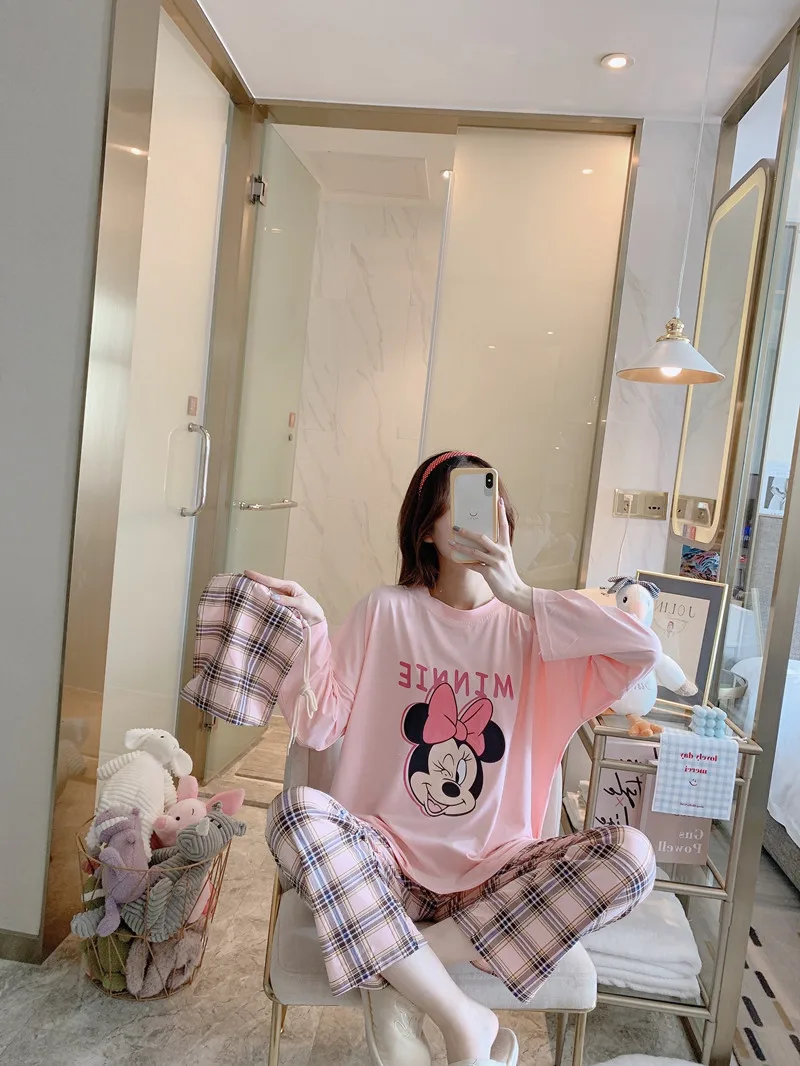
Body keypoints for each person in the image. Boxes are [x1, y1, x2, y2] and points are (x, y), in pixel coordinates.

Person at [263, 451, 658, 1066]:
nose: (479, 525)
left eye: (488, 506)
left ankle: (400, 966)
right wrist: (313, 628)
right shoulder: (385, 611)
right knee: (293, 814)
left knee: (633, 857)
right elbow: (318, 725)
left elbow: (641, 649)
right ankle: (462, 1017)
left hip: (494, 875)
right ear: (426, 531)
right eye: (460, 511)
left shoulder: (535, 630)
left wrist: (520, 593)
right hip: (385, 866)